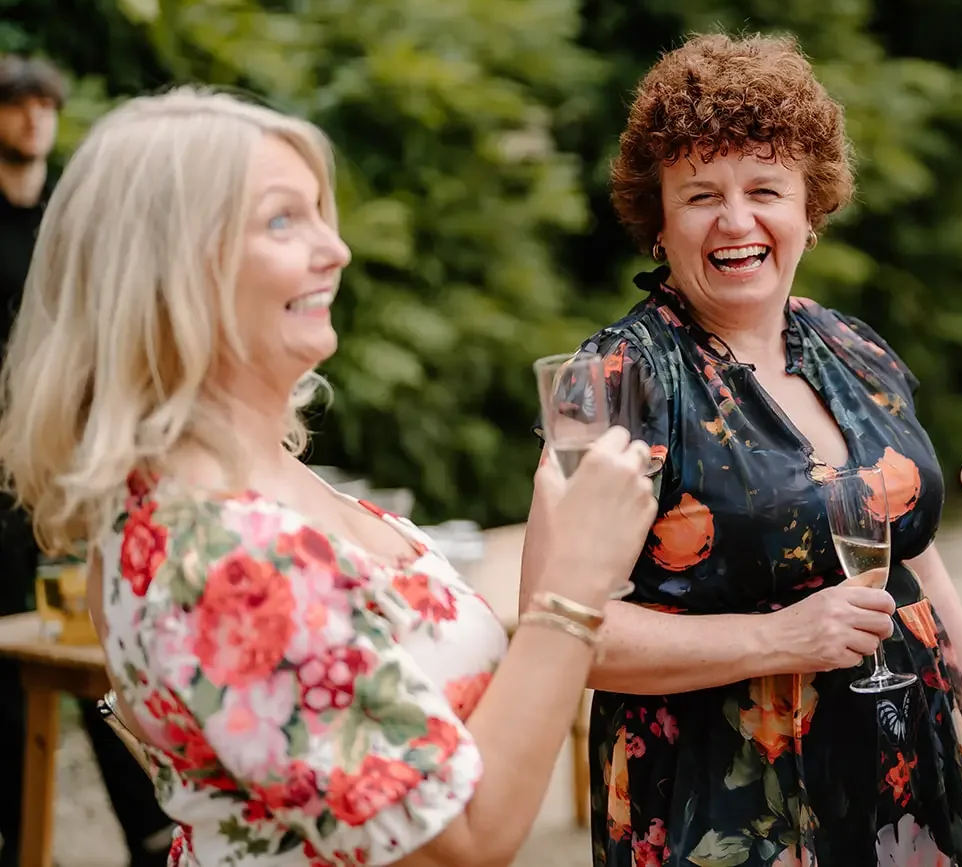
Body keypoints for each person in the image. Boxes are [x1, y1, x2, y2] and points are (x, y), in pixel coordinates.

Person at [0, 89, 660, 867]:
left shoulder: (257, 481)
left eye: (320, 211)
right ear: (174, 267)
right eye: (284, 219)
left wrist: (561, 558)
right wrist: (574, 590)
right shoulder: (218, 551)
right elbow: (465, 836)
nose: (336, 248)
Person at [540, 32, 962, 866]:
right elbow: (561, 630)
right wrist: (779, 637)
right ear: (658, 222)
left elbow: (919, 563)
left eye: (765, 188)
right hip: (722, 812)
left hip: (910, 782)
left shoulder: (856, 350)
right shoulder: (616, 380)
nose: (737, 221)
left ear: (809, 211)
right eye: (701, 193)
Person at [0, 55, 173, 867]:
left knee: (102, 645)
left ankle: (148, 829)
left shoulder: (66, 226)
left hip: (76, 461)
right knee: (13, 663)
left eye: (44, 103)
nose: (33, 117)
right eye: (16, 104)